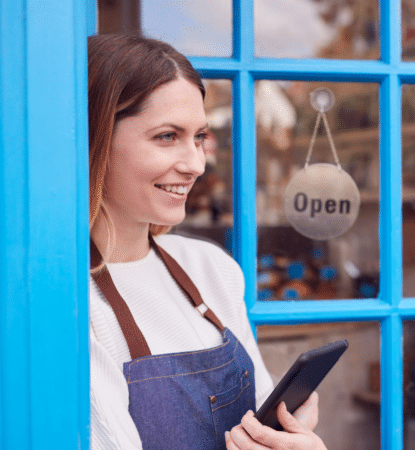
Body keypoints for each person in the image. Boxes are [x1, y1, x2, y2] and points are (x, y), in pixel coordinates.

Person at [87, 34, 327, 450]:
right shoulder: (73, 301)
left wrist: (285, 438)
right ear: (97, 138)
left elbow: (258, 413)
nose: (197, 164)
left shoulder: (211, 268)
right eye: (167, 136)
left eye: (198, 137)